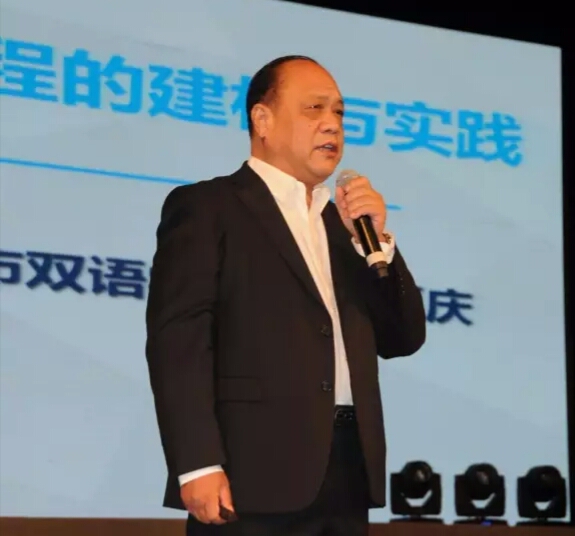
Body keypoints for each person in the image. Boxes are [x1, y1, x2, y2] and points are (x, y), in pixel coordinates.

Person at [145, 55, 426, 536]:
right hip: (250, 475)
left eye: (339, 112)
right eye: (314, 108)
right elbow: (179, 344)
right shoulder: (209, 207)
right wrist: (197, 463)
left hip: (347, 473)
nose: (332, 124)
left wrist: (376, 242)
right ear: (263, 120)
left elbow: (403, 338)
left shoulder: (344, 227)